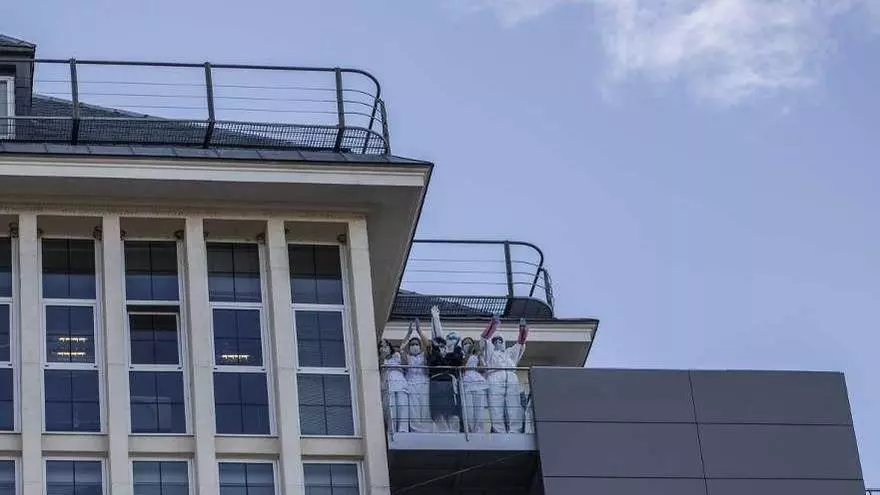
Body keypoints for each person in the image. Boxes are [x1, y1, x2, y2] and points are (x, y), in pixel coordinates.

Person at [482, 315, 529, 433]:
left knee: (514, 405)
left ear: (504, 342)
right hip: (494, 376)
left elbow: (520, 344)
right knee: (496, 406)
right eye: (495, 341)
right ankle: (499, 431)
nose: (497, 342)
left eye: (500, 340)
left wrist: (523, 329)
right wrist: (493, 324)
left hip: (511, 377)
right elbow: (484, 339)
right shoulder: (490, 353)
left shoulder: (509, 353)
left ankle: (515, 430)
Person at [427, 305, 464, 432]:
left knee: (452, 412)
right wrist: (435, 319)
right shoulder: (438, 352)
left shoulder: (456, 353)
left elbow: (456, 361)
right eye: (449, 337)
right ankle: (442, 433)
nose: (450, 340)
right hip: (437, 384)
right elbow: (437, 337)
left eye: (454, 338)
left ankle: (454, 433)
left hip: (450, 385)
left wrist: (447, 353)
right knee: (438, 411)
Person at [401, 319, 430, 432]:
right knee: (414, 407)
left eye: (416, 344)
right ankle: (415, 429)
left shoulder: (423, 355)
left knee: (425, 405)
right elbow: (402, 348)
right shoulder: (407, 357)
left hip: (424, 382)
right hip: (411, 383)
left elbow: (428, 346)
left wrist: (419, 331)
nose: (414, 346)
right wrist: (408, 334)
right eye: (412, 344)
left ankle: (426, 428)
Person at [378, 339, 409, 433]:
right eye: (382, 346)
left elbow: (405, 366)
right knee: (391, 407)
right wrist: (382, 355)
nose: (384, 348)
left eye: (386, 345)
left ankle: (403, 430)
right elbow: (380, 366)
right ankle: (392, 430)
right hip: (387, 384)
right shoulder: (380, 359)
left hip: (400, 382)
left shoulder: (397, 356)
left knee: (402, 405)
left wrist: (402, 351)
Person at [460, 336, 488, 433]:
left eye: (469, 343)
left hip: (477, 381)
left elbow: (483, 369)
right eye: (465, 343)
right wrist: (468, 353)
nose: (467, 345)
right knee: (469, 410)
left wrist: (479, 356)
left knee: (479, 409)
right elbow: (462, 367)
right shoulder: (461, 355)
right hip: (466, 381)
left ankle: (479, 431)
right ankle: (470, 430)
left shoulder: (477, 355)